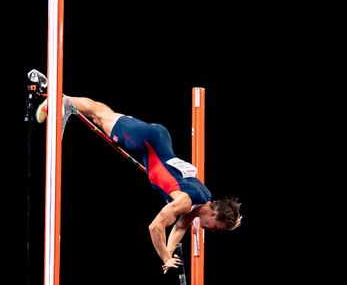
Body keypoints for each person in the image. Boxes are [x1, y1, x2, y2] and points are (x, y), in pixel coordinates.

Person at [29, 76, 241, 270]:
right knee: (100, 116)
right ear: (214, 214)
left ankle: (64, 99)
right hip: (144, 142)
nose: (210, 230)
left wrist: (169, 255)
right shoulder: (186, 202)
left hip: (159, 138)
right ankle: (60, 99)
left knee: (103, 115)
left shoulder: (204, 196)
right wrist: (164, 256)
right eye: (216, 228)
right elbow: (156, 226)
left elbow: (179, 227)